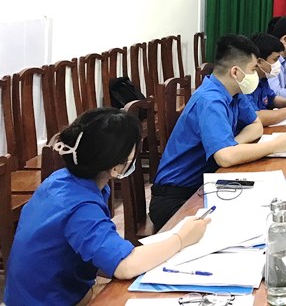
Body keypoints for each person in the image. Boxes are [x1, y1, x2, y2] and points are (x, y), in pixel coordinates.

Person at [4, 108, 209, 305]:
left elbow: (98, 249)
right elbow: (125, 266)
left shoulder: (60, 180)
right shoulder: (80, 207)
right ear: (116, 167)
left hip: (33, 293)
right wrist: (181, 238)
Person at [149, 35, 286, 231]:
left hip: (207, 182)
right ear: (235, 72)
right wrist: (274, 146)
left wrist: (233, 145)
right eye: (252, 69)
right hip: (178, 197)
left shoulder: (234, 92)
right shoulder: (210, 100)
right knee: (247, 226)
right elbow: (225, 157)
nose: (255, 74)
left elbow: (256, 125)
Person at [248, 32, 286, 126]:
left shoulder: (263, 78)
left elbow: (271, 99)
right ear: (259, 62)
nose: (278, 64)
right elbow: (255, 117)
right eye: (275, 60)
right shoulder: (247, 83)